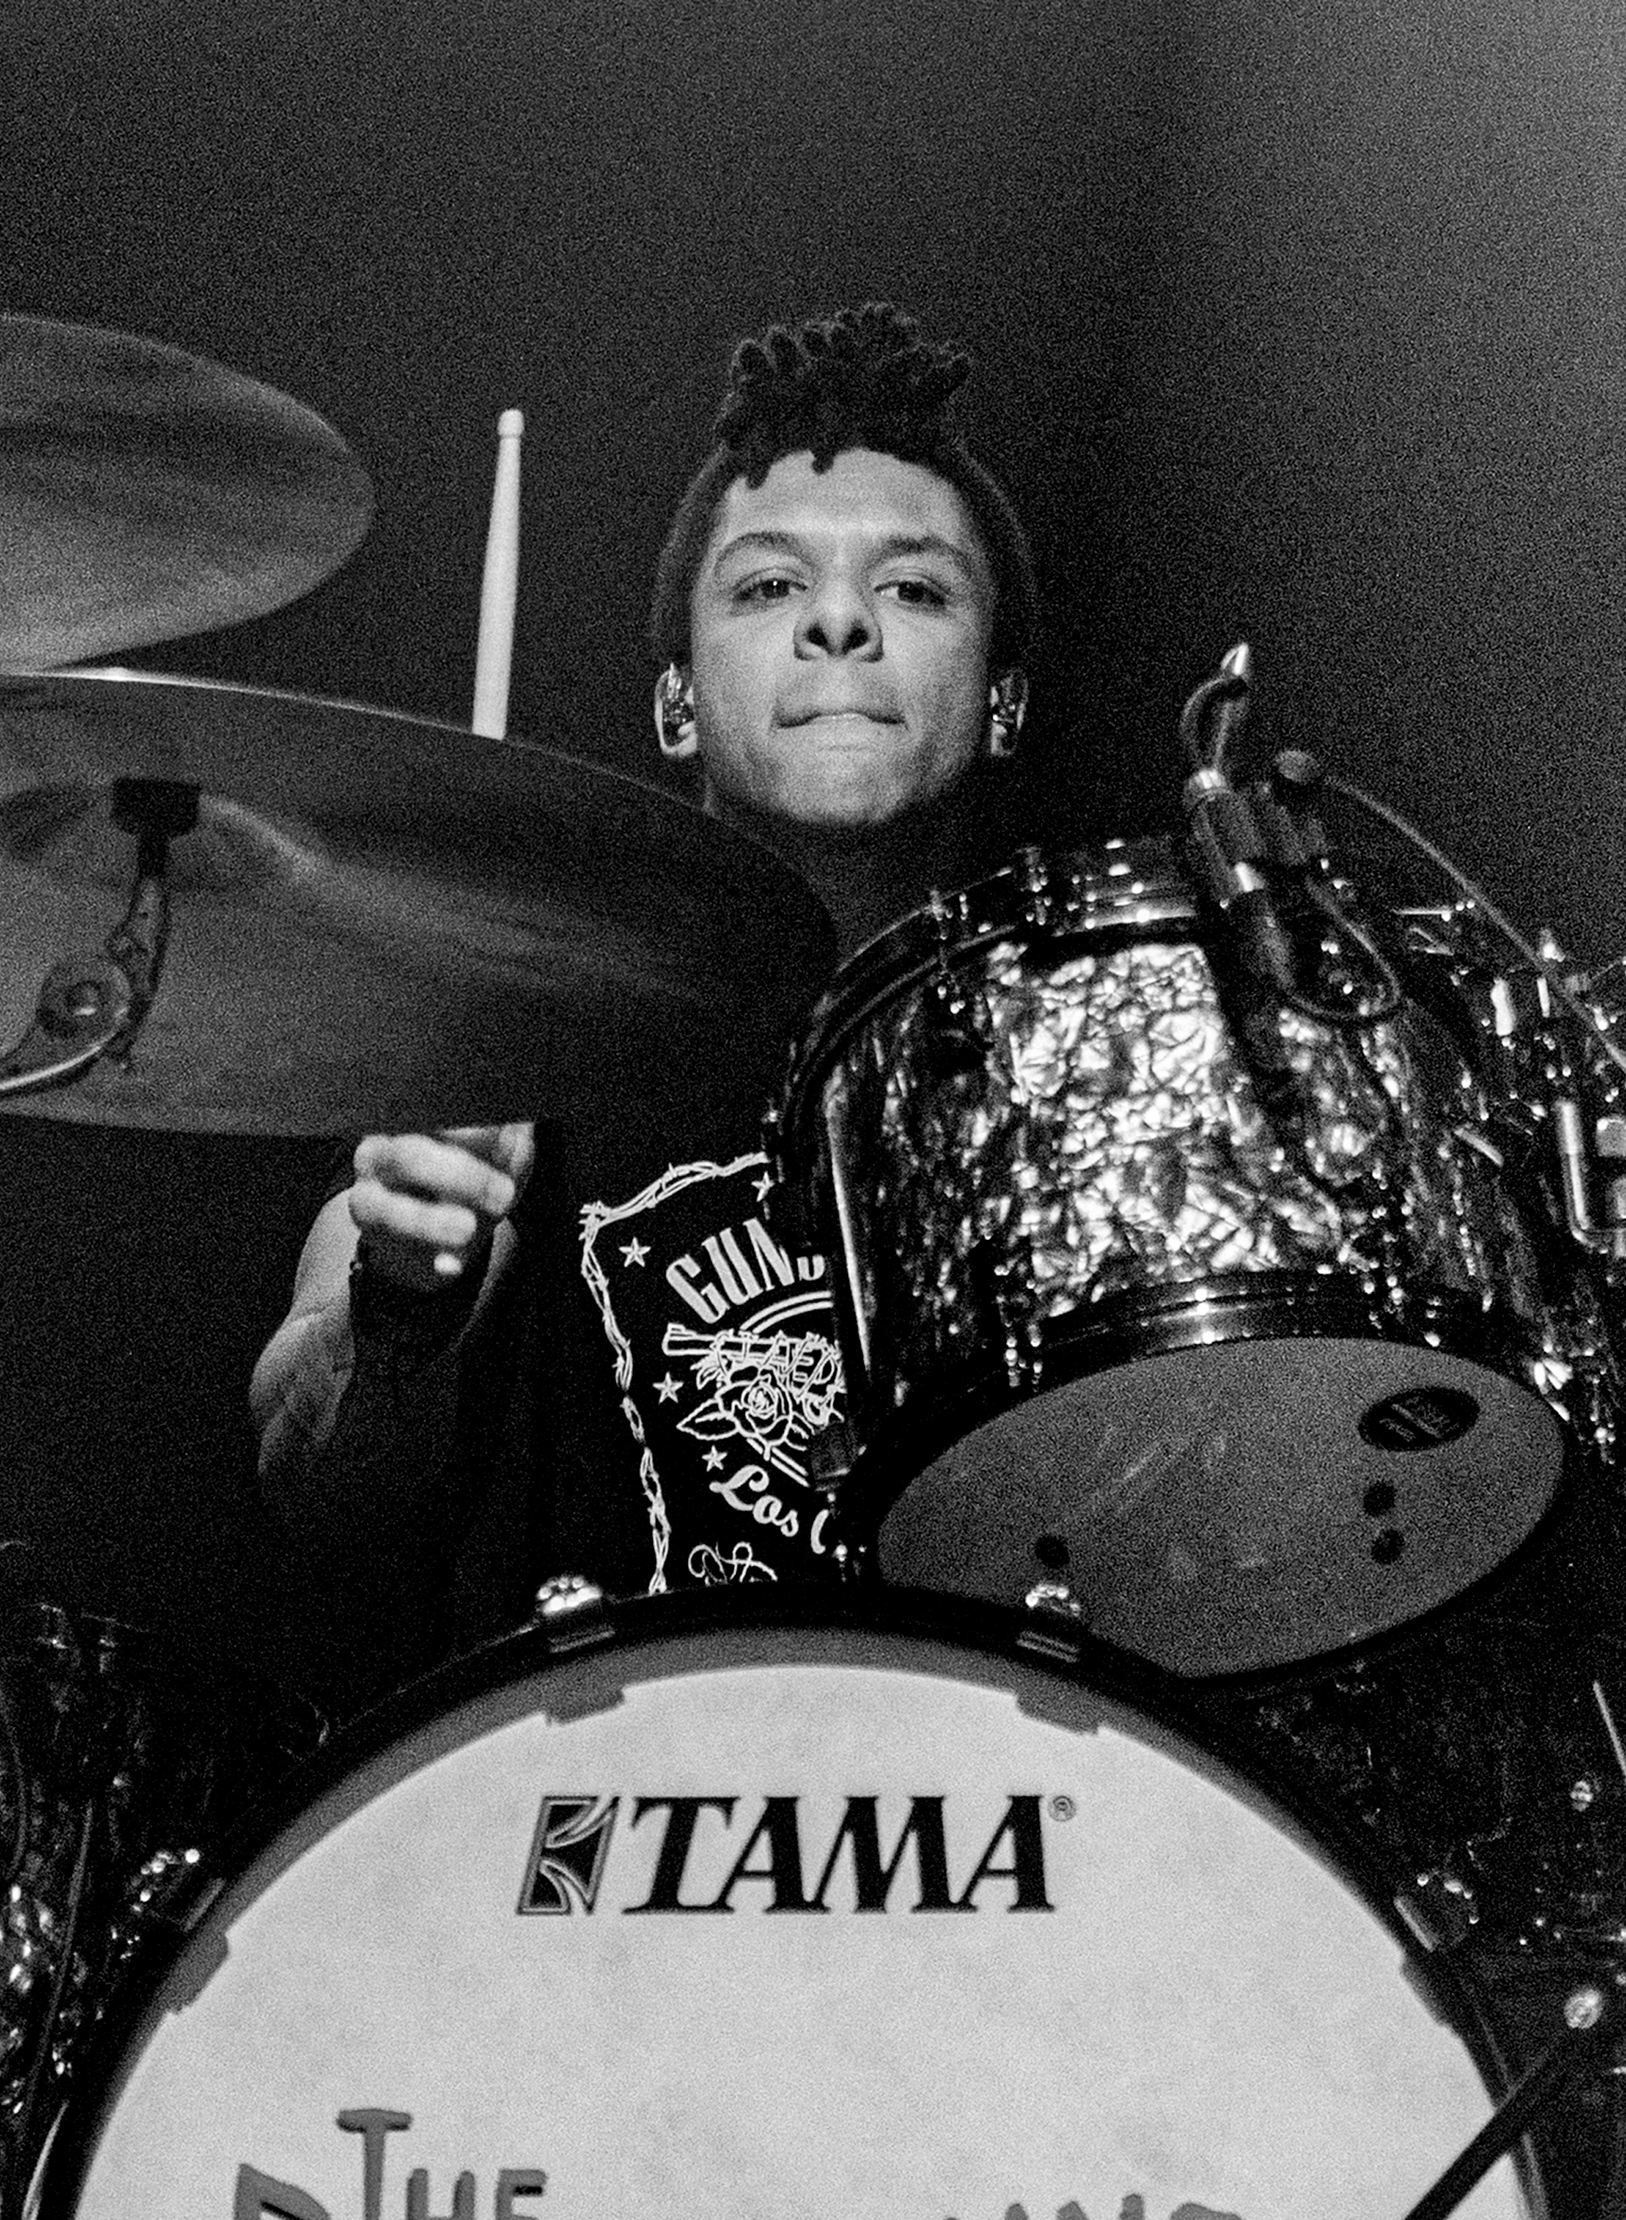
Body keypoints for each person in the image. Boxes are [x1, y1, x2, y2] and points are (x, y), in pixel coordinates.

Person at [250, 303, 1037, 1680]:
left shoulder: (1082, 1070)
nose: (841, 619)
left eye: (915, 590)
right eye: (768, 587)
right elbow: (307, 1497)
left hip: (987, 1789)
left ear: (1004, 702)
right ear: (674, 703)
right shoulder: (528, 1031)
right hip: (593, 1795)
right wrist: (404, 1311)